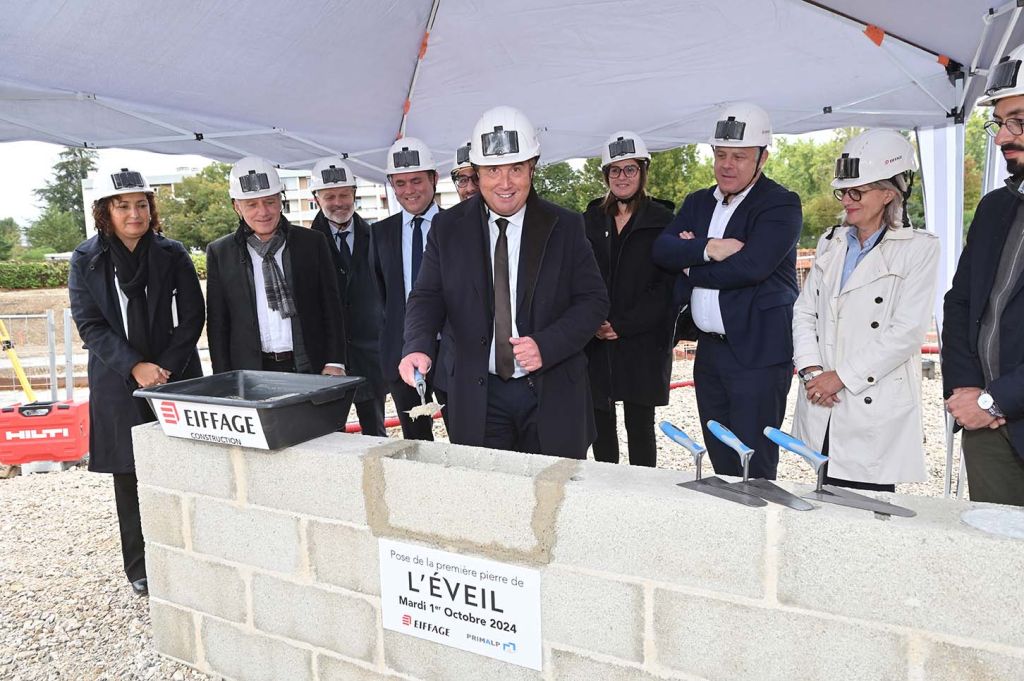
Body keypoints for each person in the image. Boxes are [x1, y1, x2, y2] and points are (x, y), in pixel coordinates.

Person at [399, 105, 608, 458]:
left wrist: (548, 344)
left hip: (551, 394)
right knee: (489, 502)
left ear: (533, 168)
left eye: (516, 168)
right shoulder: (447, 229)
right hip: (477, 396)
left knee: (555, 500)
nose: (505, 182)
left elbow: (593, 300)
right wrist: (417, 345)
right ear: (476, 174)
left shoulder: (567, 226)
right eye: (493, 169)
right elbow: (426, 296)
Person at [69, 167, 204, 596]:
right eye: (123, 206)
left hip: (174, 377)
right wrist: (135, 367)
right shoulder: (85, 258)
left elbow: (193, 316)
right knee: (129, 475)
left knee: (184, 466)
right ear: (105, 212)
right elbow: (90, 324)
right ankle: (140, 566)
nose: (134, 214)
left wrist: (163, 367)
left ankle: (190, 554)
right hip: (117, 379)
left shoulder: (172, 253)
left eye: (141, 205)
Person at [652, 102, 802, 480]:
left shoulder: (780, 204)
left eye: (739, 156)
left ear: (762, 158)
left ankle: (759, 534)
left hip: (758, 355)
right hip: (711, 353)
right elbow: (661, 250)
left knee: (753, 462)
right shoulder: (698, 202)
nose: (727, 164)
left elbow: (751, 268)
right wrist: (709, 249)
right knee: (720, 458)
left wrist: (689, 261)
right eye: (721, 154)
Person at [792, 129, 939, 491]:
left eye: (857, 191)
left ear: (889, 192)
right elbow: (804, 311)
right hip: (822, 399)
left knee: (868, 516)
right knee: (823, 503)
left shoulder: (919, 249)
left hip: (868, 406)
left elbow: (905, 333)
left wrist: (839, 377)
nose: (846, 200)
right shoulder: (831, 242)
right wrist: (813, 372)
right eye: (843, 190)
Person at [943, 42, 1024, 506]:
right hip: (988, 432)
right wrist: (967, 390)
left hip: (996, 410)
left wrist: (994, 401)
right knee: (993, 565)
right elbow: (961, 304)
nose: (1001, 138)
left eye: (1019, 121)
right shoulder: (995, 207)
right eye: (1000, 123)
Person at [206, 157, 348, 379]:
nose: (263, 212)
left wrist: (335, 361)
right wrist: (223, 378)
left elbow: (331, 307)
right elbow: (218, 324)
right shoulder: (220, 253)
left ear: (281, 201)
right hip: (250, 373)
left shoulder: (312, 243)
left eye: (270, 201)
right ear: (237, 206)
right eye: (252, 204)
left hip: (311, 366)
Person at [584, 131, 675, 467]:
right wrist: (593, 323)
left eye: (630, 169)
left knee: (640, 425)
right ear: (606, 175)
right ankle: (609, 494)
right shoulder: (591, 219)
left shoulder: (662, 220)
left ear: (643, 172)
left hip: (640, 341)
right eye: (615, 171)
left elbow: (666, 287)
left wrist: (620, 325)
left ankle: (644, 497)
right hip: (596, 341)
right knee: (600, 425)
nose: (622, 177)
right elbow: (578, 276)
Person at [369, 137, 445, 440]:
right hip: (402, 356)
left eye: (416, 180)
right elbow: (381, 296)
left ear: (434, 179)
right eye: (400, 183)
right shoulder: (380, 233)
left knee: (468, 441)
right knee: (416, 444)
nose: (409, 190)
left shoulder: (458, 226)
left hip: (453, 353)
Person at [309, 157, 387, 436]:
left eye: (344, 194)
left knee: (376, 433)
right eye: (330, 196)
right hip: (327, 360)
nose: (338, 202)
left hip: (370, 356)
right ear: (316, 198)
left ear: (354, 194)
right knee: (329, 434)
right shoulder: (305, 243)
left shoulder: (376, 236)